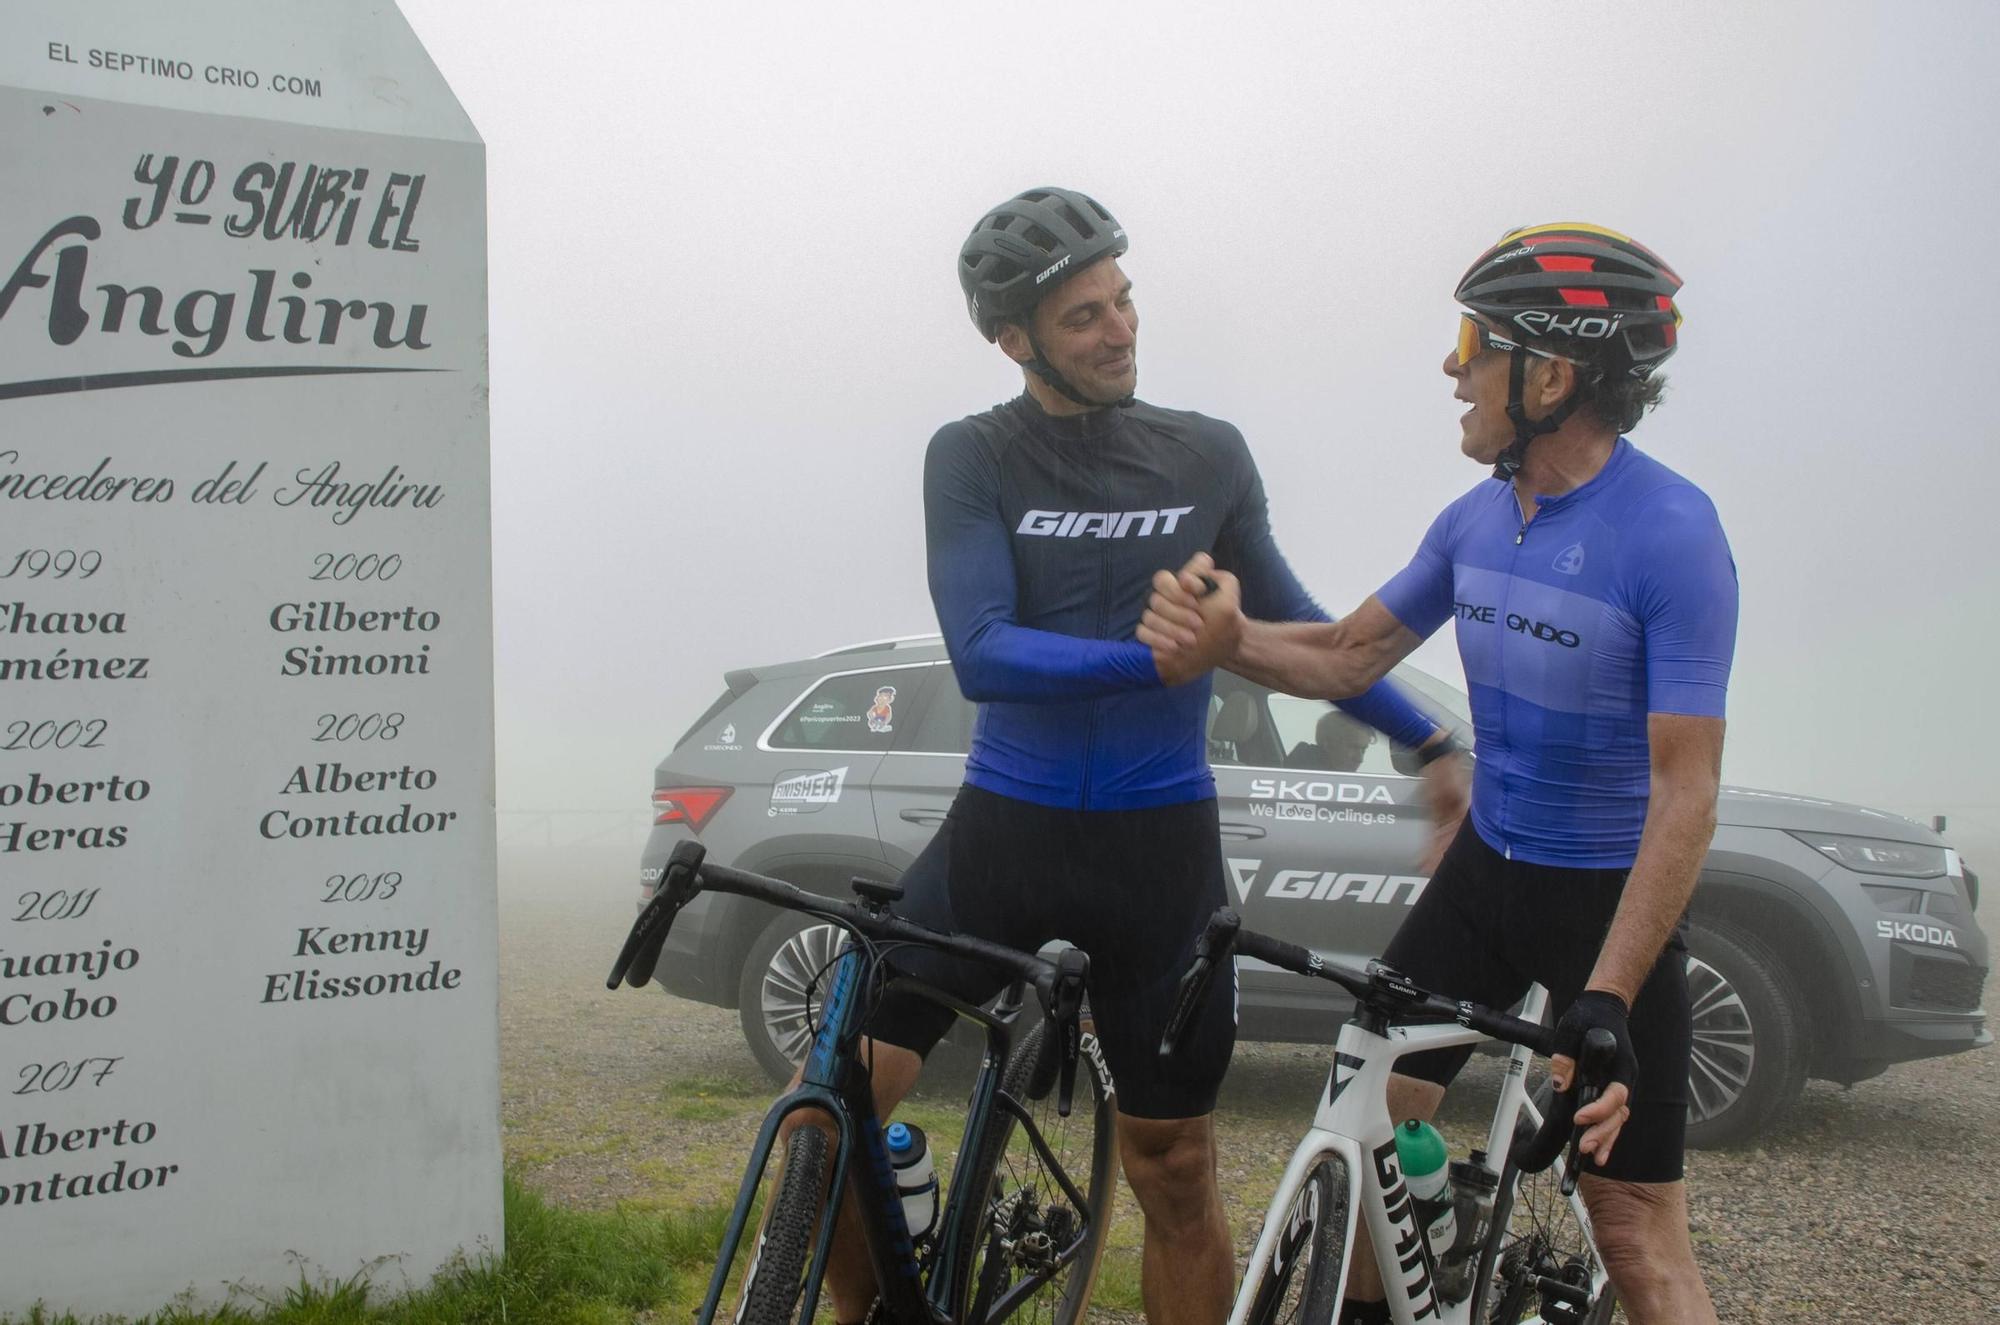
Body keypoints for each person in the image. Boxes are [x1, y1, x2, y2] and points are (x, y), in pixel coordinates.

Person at [772, 187, 1465, 1325]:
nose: (1119, 327)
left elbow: (1298, 623)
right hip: (1002, 831)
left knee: (1176, 1168)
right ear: (1013, 339)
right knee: (824, 1110)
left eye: (1122, 299)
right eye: (1083, 314)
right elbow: (985, 650)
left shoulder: (1204, 453)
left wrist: (1427, 736)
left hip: (1158, 853)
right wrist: (1156, 663)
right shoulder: (972, 455)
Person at [1141, 223, 1732, 1325]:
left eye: (1474, 342)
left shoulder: (1669, 533)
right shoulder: (1472, 520)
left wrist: (1605, 994)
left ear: (1550, 371)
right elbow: (1343, 654)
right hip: (1482, 882)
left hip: (1604, 910)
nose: (1451, 368)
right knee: (1365, 1113)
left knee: (1633, 1226)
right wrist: (1225, 640)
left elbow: (1685, 790)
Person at [1287, 709, 1375, 772]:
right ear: (1328, 744)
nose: (1359, 759)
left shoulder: (1361, 788)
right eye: (1353, 747)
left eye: (1363, 750)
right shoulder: (1298, 776)